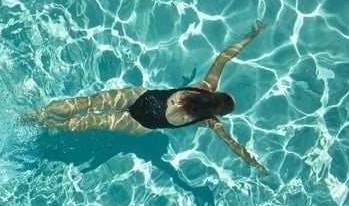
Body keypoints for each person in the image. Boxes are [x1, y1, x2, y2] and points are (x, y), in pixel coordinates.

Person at [24, 21, 269, 173]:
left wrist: (252, 35)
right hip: (140, 125)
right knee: (87, 123)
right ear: (217, 112)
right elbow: (233, 146)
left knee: (85, 104)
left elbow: (224, 57)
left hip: (139, 98)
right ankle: (45, 123)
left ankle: (36, 114)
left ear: (215, 94)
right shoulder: (210, 122)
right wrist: (254, 163)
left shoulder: (205, 85)